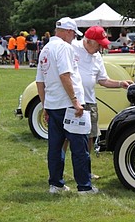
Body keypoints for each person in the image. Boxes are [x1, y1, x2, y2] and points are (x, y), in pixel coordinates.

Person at [36, 17, 98, 194]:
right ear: (68, 32)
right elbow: (65, 75)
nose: (73, 39)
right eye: (73, 35)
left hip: (54, 105)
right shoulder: (64, 48)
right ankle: (84, 186)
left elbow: (40, 81)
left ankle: (56, 184)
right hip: (68, 106)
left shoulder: (45, 49)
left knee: (55, 147)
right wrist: (75, 101)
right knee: (79, 146)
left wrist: (45, 105)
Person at [70, 25, 133, 179]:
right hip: (71, 101)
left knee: (89, 138)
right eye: (99, 44)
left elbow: (103, 80)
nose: (100, 48)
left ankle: (86, 171)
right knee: (66, 138)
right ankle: (58, 172)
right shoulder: (71, 48)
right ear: (89, 41)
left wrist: (120, 83)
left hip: (89, 103)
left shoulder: (97, 57)